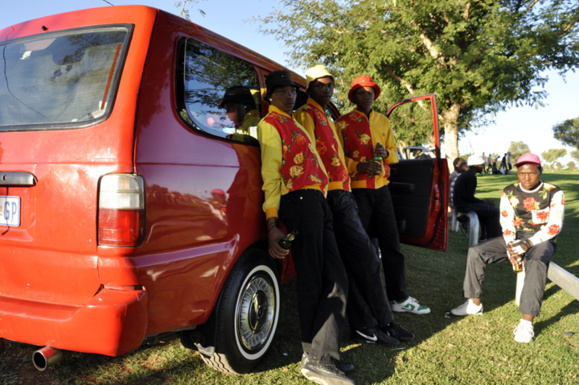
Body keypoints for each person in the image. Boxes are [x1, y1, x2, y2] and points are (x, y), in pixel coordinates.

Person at [294, 65, 415, 347]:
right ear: (309, 88)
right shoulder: (315, 116)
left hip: (350, 190)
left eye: (329, 85)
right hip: (336, 194)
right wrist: (357, 166)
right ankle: (381, 322)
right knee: (366, 259)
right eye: (320, 85)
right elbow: (313, 157)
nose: (326, 89)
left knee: (368, 257)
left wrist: (382, 158)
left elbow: (341, 157)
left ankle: (371, 323)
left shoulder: (328, 116)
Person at [257, 70, 354, 385]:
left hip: (317, 202)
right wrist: (273, 223)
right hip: (297, 202)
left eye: (292, 91)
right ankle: (318, 360)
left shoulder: (295, 122)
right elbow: (270, 176)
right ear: (269, 96)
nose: (289, 95)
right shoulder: (269, 125)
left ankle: (318, 354)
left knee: (335, 276)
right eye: (281, 91)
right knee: (316, 278)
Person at [336, 76, 430, 315]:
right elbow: (335, 158)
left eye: (370, 92)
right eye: (361, 93)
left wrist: (385, 153)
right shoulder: (342, 123)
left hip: (381, 189)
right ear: (353, 96)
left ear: (375, 95)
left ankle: (399, 297)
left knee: (392, 244)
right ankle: (361, 299)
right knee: (361, 247)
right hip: (356, 190)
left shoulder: (382, 120)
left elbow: (394, 156)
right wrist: (359, 166)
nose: (367, 96)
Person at [451, 153, 564, 343]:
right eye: (521, 173)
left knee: (536, 262)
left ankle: (527, 322)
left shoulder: (554, 191)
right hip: (515, 236)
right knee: (476, 252)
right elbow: (506, 222)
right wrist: (512, 245)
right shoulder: (509, 191)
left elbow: (554, 226)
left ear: (540, 171)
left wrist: (526, 245)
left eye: (531, 173)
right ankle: (474, 303)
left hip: (542, 239)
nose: (526, 178)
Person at [453, 154, 502, 240]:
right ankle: (494, 238)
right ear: (475, 166)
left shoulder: (466, 175)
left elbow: (467, 197)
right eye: (481, 165)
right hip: (464, 205)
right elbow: (468, 197)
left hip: (460, 204)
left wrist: (483, 202)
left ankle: (484, 236)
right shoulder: (471, 177)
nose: (482, 167)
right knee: (495, 211)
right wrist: (483, 202)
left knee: (487, 209)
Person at [449, 157, 469, 235]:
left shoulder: (457, 175)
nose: (465, 165)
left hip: (454, 200)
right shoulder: (454, 176)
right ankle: (463, 221)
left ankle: (456, 226)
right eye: (463, 164)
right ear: (457, 165)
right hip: (453, 201)